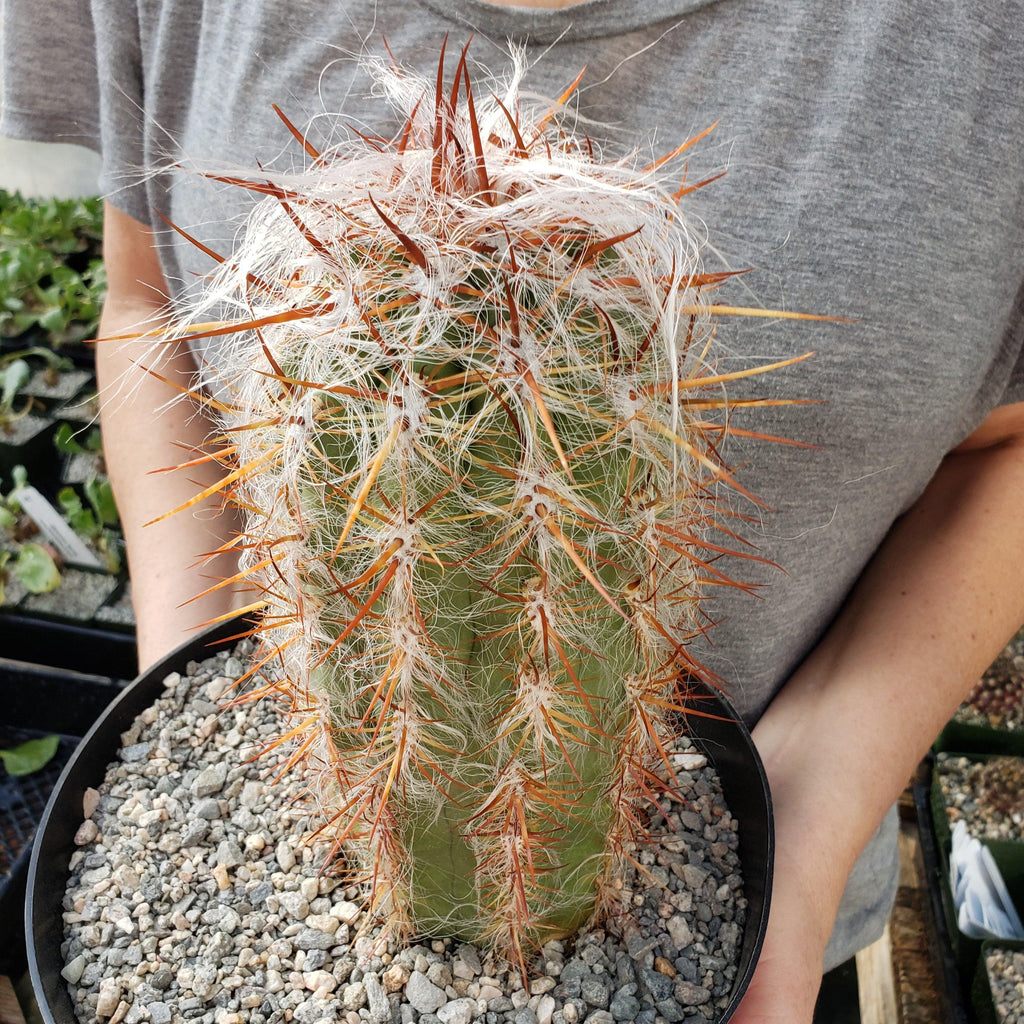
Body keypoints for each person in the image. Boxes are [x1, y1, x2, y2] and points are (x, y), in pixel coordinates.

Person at [4, 1, 1023, 1020]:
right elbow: (145, 303)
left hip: (769, 854)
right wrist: (190, 712)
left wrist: (804, 825)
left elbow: (1007, 441)